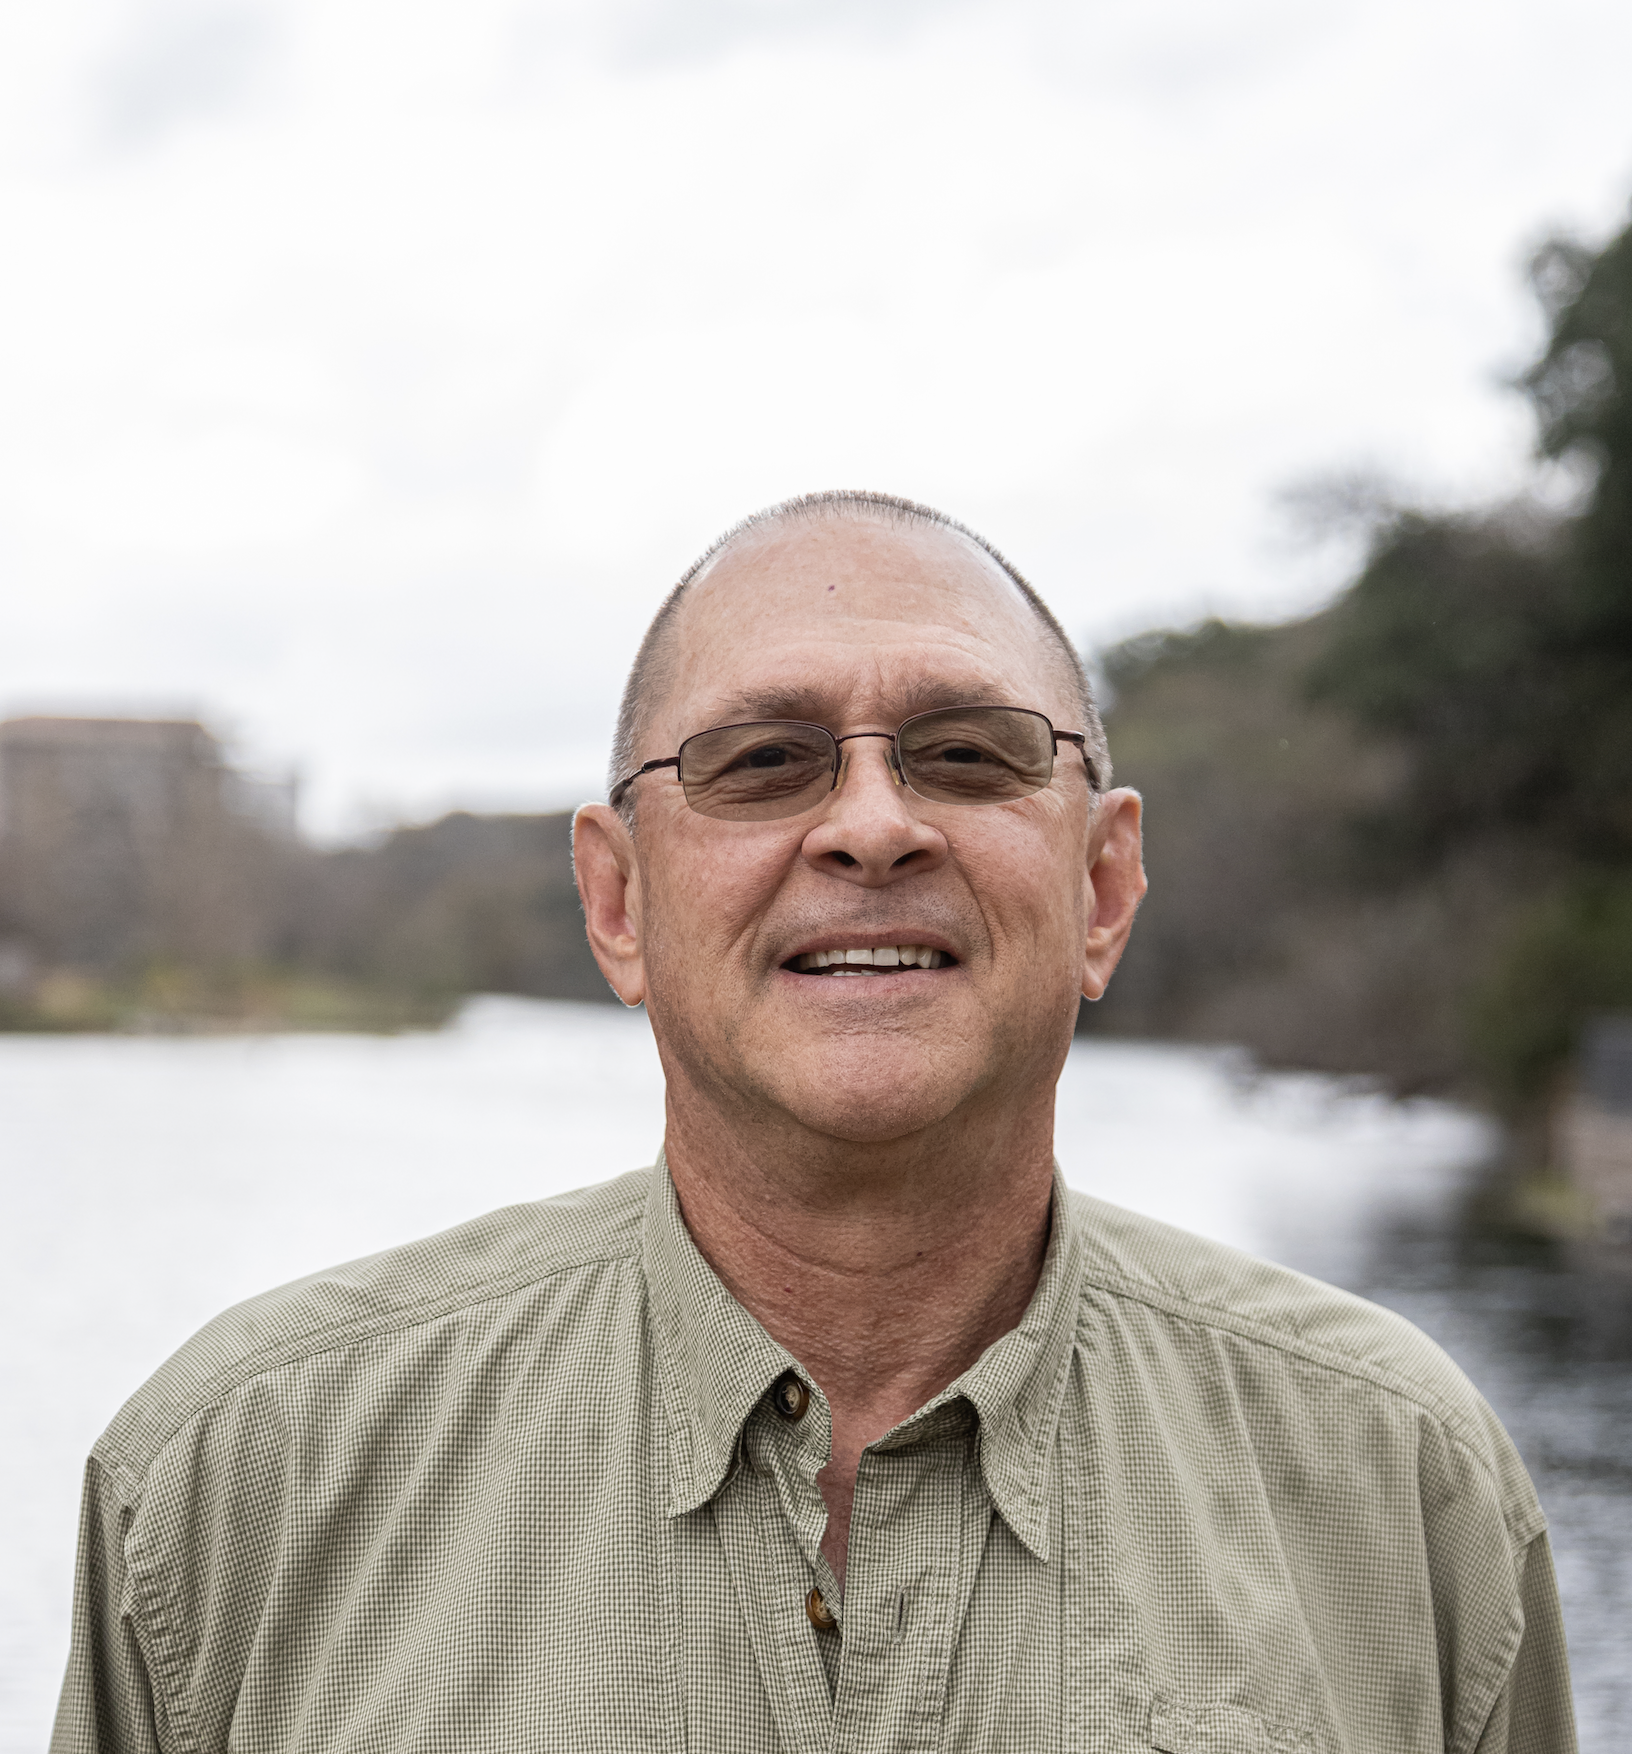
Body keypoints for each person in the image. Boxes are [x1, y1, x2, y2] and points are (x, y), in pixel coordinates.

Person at [52, 491, 1574, 1754]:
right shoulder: (234, 1483)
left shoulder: (1402, 1484)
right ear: (619, 898)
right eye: (763, 761)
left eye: (968, 751)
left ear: (1102, 890)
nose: (868, 823)